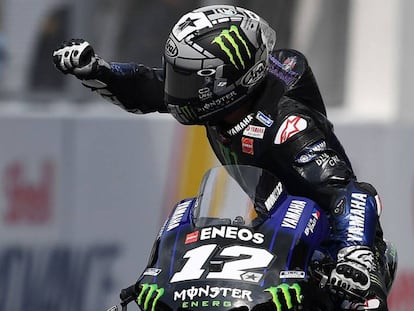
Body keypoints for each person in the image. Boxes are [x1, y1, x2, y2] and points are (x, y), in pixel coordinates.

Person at [52, 5, 396, 311]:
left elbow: (348, 193)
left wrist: (355, 256)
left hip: (335, 260)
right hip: (272, 236)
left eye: (187, 78)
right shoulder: (217, 105)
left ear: (229, 82)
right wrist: (99, 71)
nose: (174, 88)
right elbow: (149, 88)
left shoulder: (287, 126)